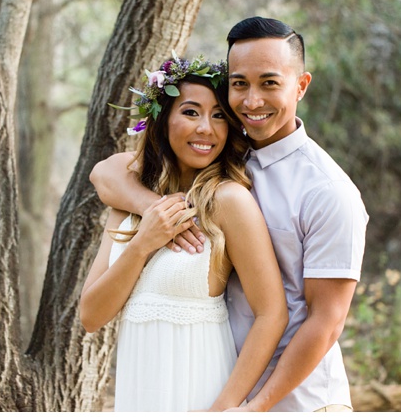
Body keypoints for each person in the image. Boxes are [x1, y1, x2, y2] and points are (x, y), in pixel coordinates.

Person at [90, 17, 368, 412]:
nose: (251, 101)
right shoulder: (224, 154)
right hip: (216, 378)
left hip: (295, 401)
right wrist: (156, 214)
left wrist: (249, 409)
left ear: (301, 86)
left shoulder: (328, 192)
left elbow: (326, 323)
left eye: (269, 83)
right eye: (240, 84)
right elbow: (106, 173)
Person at [80, 54, 288, 412]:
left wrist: (223, 408)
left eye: (219, 115)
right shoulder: (130, 201)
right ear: (162, 121)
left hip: (199, 388)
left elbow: (272, 314)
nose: (206, 128)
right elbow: (91, 316)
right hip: (139, 392)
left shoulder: (228, 200)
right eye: (191, 112)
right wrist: (144, 242)